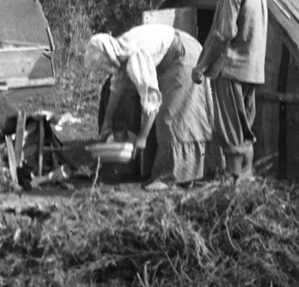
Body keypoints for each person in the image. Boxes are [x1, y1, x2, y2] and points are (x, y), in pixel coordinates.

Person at [86, 24, 211, 190]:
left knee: (171, 117)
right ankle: (186, 174)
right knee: (172, 116)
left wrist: (142, 137)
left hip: (186, 55)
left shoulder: (134, 56)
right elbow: (117, 88)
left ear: (108, 56)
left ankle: (171, 177)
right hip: (175, 54)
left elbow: (151, 102)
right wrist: (107, 120)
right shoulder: (119, 51)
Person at [191, 0, 268, 182]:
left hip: (231, 68)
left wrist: (202, 66)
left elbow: (223, 34)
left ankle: (233, 186)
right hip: (252, 70)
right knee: (245, 129)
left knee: (230, 131)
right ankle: (247, 179)